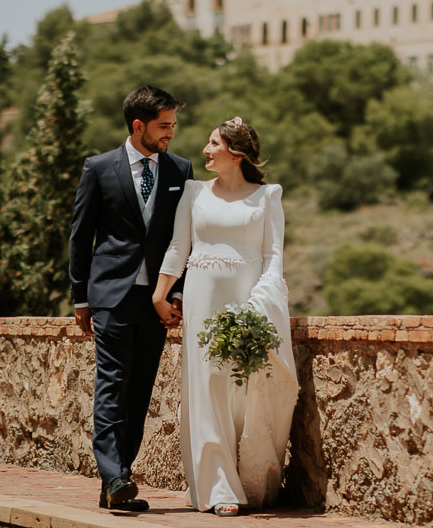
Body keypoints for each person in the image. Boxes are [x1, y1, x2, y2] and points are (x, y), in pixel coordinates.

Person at [152, 116, 297, 517]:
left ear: (235, 153)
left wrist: (260, 302)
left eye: (213, 143)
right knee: (209, 384)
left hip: (248, 300)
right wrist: (160, 294)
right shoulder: (194, 192)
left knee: (244, 387)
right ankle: (217, 486)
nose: (205, 150)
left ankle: (244, 475)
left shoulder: (267, 197)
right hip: (202, 296)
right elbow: (178, 247)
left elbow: (274, 256)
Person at [69, 85, 194, 512]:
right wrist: (80, 297)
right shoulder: (99, 168)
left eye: (173, 125)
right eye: (163, 126)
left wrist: (175, 293)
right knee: (112, 384)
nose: (170, 134)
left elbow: (184, 240)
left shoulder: (181, 170)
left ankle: (116, 480)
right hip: (110, 296)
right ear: (138, 125)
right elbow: (81, 235)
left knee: (139, 390)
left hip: (155, 301)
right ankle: (115, 475)